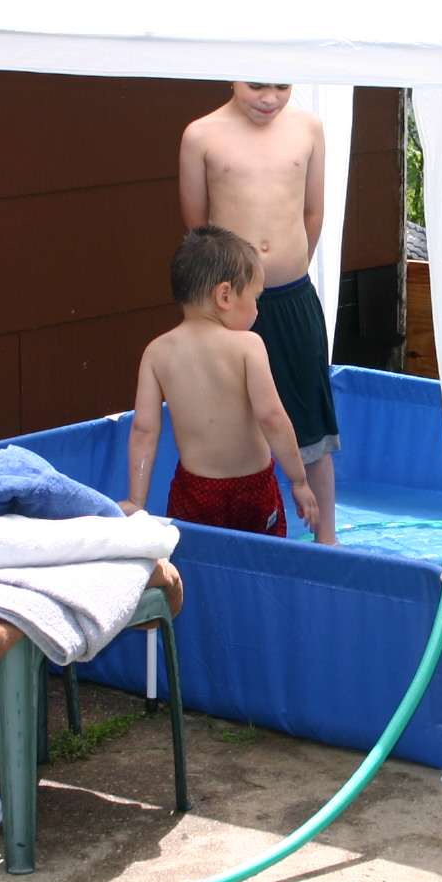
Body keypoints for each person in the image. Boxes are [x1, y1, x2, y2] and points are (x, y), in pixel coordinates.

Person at [179, 81, 340, 544]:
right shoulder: (201, 135)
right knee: (230, 420)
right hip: (226, 305)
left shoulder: (308, 127)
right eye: (256, 85)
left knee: (310, 420)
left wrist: (288, 267)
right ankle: (235, 536)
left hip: (292, 297)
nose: (269, 98)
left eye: (282, 86)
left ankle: (327, 540)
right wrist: (232, 293)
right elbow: (198, 229)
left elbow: (313, 213)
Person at [118, 225, 317, 538]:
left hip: (195, 493)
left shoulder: (156, 352)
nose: (257, 309)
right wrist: (299, 480)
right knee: (261, 559)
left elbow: (144, 430)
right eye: (255, 298)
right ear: (224, 295)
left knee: (197, 562)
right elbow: (272, 417)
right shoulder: (248, 346)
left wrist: (136, 501)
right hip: (254, 491)